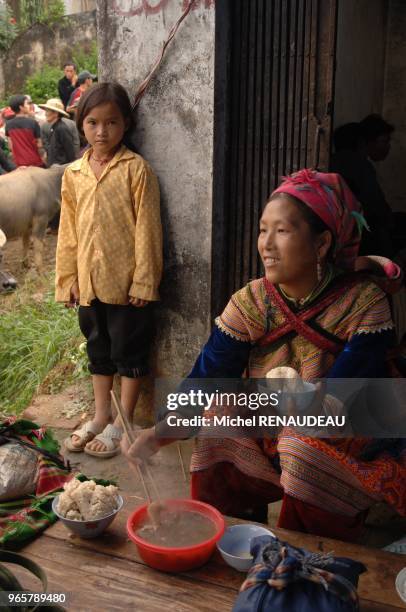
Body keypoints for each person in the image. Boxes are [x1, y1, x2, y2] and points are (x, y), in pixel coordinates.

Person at [122, 170, 406, 542]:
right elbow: (210, 376)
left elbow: (339, 402)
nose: (266, 245)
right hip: (280, 421)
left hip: (343, 432)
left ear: (321, 244)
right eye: (262, 230)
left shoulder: (364, 303)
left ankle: (305, 555)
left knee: (300, 447)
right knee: (216, 418)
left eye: (282, 231)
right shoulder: (253, 301)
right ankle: (227, 534)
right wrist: (158, 434)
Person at [55, 82, 162, 459]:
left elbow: (148, 230)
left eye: (112, 123)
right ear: (81, 124)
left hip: (126, 284)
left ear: (126, 125)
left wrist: (144, 281)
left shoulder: (136, 170)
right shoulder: (74, 174)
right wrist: (68, 279)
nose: (102, 132)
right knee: (98, 348)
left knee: (129, 352)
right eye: (93, 123)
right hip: (89, 282)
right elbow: (67, 231)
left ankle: (123, 420)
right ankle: (101, 415)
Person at [330, 116, 395, 257]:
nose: (388, 146)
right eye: (384, 141)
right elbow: (377, 206)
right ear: (363, 143)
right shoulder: (361, 165)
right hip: (357, 236)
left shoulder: (332, 161)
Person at [5, 95, 45, 167]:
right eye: (27, 103)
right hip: (35, 162)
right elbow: (39, 144)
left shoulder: (8, 124)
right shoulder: (33, 122)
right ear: (21, 107)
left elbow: (10, 146)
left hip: (19, 163)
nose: (29, 106)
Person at [38, 98, 77, 166]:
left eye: (47, 111)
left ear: (56, 113)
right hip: (56, 167)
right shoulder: (54, 127)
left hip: (62, 167)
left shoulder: (62, 128)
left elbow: (70, 151)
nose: (45, 114)